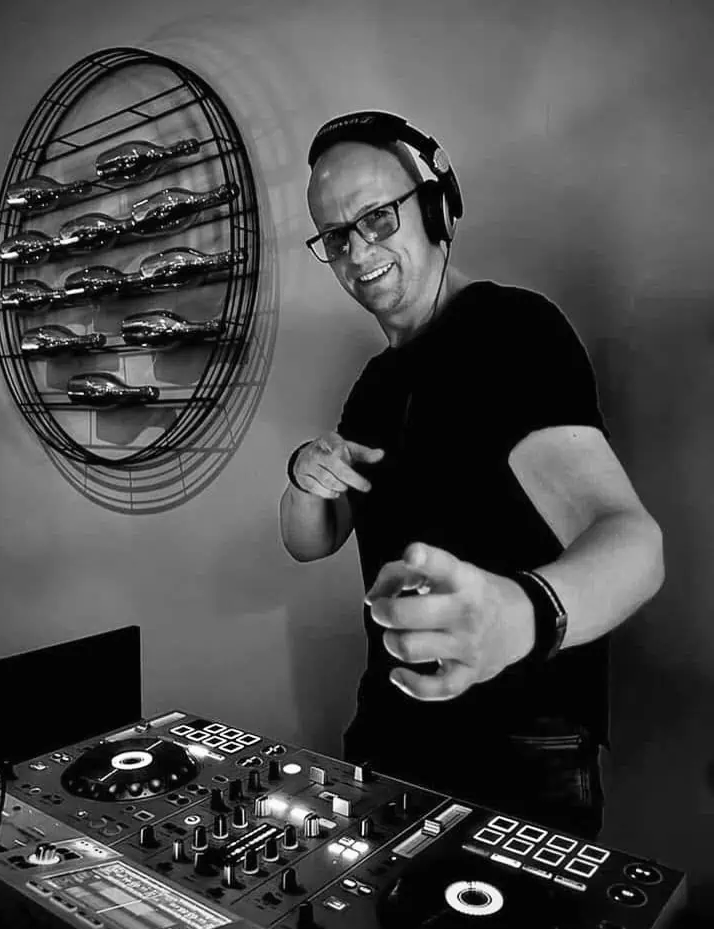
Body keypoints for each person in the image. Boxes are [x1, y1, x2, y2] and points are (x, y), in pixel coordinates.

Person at [279, 111, 664, 839]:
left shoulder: (513, 331)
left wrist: (518, 615)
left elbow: (635, 544)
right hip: (392, 737)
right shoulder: (375, 383)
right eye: (336, 236)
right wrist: (305, 477)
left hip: (519, 755)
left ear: (435, 207)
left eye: (377, 217)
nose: (359, 251)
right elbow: (311, 540)